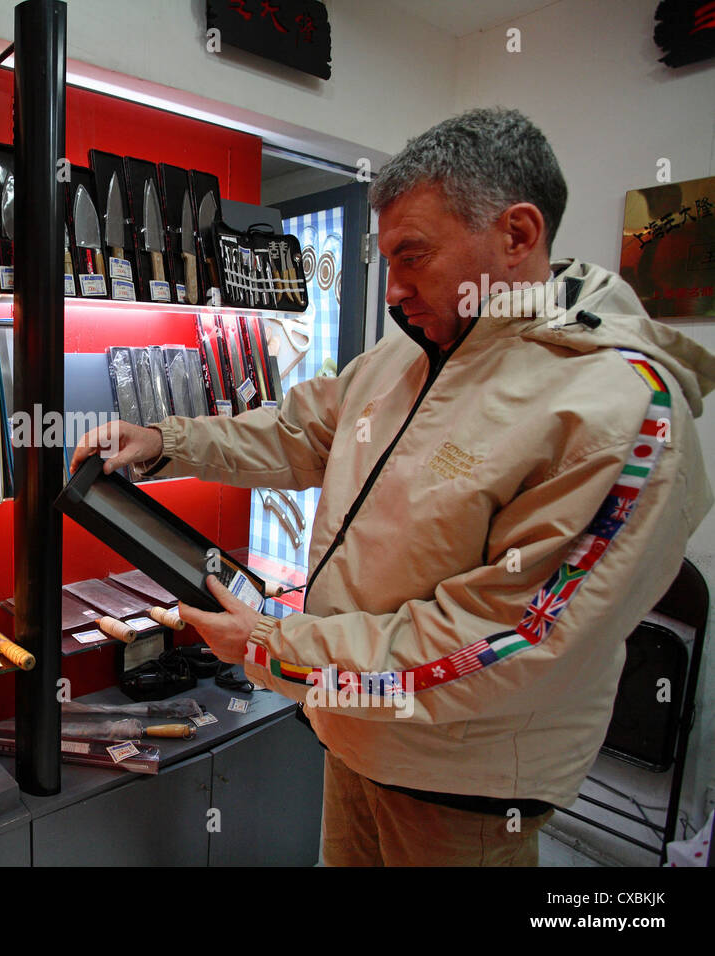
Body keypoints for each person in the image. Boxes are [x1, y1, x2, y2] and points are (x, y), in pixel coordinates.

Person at [71, 107, 715, 866]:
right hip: (355, 731)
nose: (394, 291)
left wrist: (277, 647)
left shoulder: (622, 412)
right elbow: (298, 432)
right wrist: (165, 441)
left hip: (461, 788)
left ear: (517, 234)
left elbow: (503, 645)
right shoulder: (409, 355)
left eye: (415, 257)